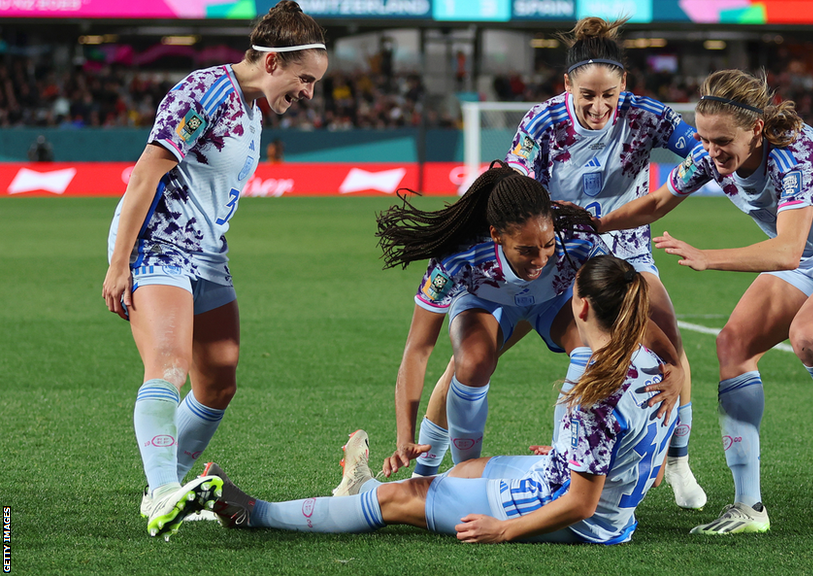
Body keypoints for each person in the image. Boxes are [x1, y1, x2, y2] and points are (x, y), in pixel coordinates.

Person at [409, 16, 706, 510]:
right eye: (586, 94)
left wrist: (651, 204)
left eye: (608, 94)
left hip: (626, 243)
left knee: (665, 336)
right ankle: (426, 468)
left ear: (624, 85)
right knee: (475, 358)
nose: (598, 106)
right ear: (566, 85)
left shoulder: (648, 115)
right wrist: (549, 231)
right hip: (553, 250)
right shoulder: (542, 122)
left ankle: (676, 462)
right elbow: (517, 190)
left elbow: (703, 157)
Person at [599, 69, 813, 534]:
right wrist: (595, 224)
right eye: (703, 138)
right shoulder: (710, 155)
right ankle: (748, 507)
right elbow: (657, 202)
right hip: (807, 253)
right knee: (733, 347)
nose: (711, 150)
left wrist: (707, 258)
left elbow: (786, 251)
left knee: (809, 338)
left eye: (722, 140)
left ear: (757, 129)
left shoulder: (795, 154)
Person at [202, 255, 679, 545]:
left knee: (404, 496)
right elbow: (643, 458)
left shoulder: (593, 390)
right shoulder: (657, 367)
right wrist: (574, 455)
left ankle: (256, 512)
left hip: (577, 517)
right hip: (610, 511)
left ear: (581, 306)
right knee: (462, 470)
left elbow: (580, 501)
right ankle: (358, 488)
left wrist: (505, 531)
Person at [100, 0, 328, 541]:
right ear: (271, 62)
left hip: (207, 254)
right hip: (157, 245)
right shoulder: (206, 91)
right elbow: (145, 175)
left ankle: (170, 488)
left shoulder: (252, 108)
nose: (308, 93)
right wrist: (119, 262)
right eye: (304, 78)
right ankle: (160, 494)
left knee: (218, 382)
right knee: (170, 365)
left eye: (315, 83)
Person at [373, 162, 684, 481]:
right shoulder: (458, 255)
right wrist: (404, 436)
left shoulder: (576, 236)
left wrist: (673, 364)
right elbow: (418, 350)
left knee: (590, 346)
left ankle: (565, 460)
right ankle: (464, 474)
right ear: (496, 235)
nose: (539, 259)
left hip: (554, 302)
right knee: (471, 362)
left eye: (548, 246)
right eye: (526, 250)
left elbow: (623, 308)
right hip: (486, 304)